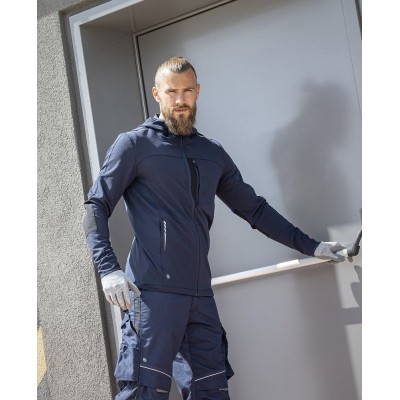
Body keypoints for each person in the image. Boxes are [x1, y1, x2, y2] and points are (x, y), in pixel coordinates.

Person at [83, 56, 345, 400]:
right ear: (157, 94)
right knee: (144, 393)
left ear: (198, 91)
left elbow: (254, 209)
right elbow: (95, 206)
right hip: (152, 296)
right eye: (171, 92)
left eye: (187, 91)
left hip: (199, 297)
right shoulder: (135, 145)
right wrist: (108, 270)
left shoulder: (211, 153)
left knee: (212, 392)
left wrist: (312, 246)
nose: (180, 100)